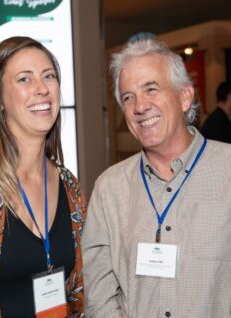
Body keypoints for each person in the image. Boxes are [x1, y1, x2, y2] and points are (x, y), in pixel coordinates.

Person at [82, 39, 231, 317]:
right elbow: (98, 295)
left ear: (185, 97)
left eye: (151, 89)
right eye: (128, 97)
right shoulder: (109, 189)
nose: (140, 107)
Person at [0, 36, 86, 318]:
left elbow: (79, 291)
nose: (41, 88)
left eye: (48, 76)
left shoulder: (69, 185)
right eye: (24, 79)